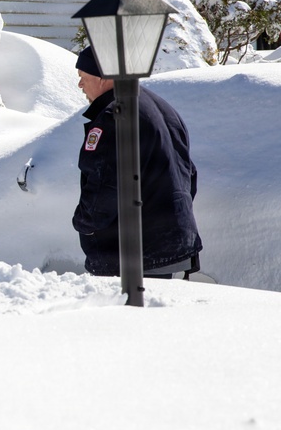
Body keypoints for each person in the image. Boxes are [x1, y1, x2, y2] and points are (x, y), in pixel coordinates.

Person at [72, 46, 202, 279]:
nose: (80, 85)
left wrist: (84, 223)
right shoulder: (162, 107)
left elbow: (105, 184)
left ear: (102, 77)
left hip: (132, 253)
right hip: (172, 243)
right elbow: (188, 174)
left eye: (83, 77)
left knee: (124, 315)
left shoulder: (114, 116)